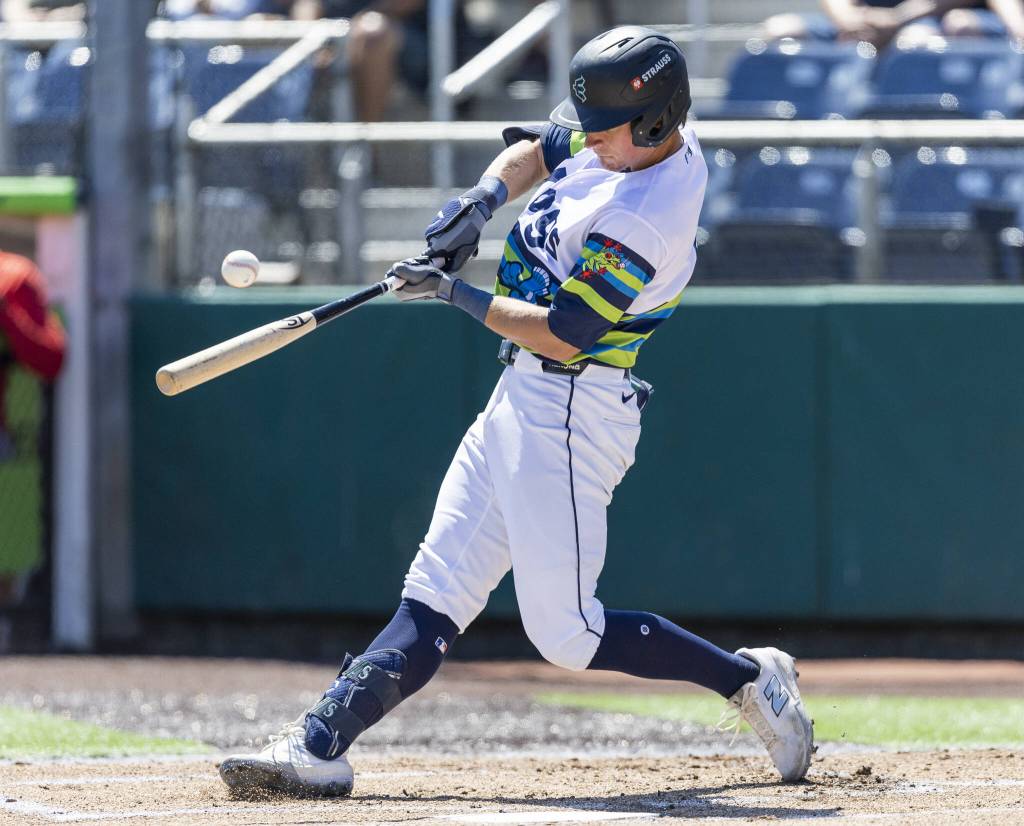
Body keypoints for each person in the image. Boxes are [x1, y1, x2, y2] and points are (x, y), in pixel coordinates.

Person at [218, 26, 814, 798]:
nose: (589, 143)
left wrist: (452, 293)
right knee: (436, 588)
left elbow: (566, 335)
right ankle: (317, 744)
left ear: (657, 122)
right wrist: (480, 201)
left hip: (575, 405)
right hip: (522, 395)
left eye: (606, 133)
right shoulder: (622, 139)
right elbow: (537, 147)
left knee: (566, 633)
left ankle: (747, 680)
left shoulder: (649, 211)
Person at [763, 0, 1009, 49]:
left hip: (920, 20)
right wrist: (848, 20)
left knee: (916, 41)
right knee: (780, 30)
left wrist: (898, 18)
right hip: (862, 20)